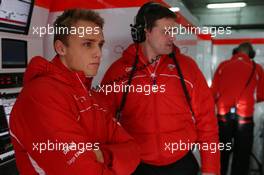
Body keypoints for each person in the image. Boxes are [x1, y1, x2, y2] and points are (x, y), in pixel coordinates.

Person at [10, 9, 140, 175]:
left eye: (100, 44)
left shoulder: (92, 96)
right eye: (88, 44)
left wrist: (105, 156)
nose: (98, 53)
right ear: (61, 48)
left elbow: (133, 149)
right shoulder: (40, 96)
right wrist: (106, 157)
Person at [101, 2, 220, 175]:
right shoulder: (118, 71)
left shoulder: (187, 68)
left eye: (173, 31)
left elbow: (207, 121)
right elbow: (102, 122)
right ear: (145, 32)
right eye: (165, 32)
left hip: (181, 165)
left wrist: (211, 169)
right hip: (137, 166)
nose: (172, 37)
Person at [211, 42, 264, 175]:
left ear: (236, 52)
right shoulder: (257, 68)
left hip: (223, 118)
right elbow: (261, 95)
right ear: (251, 54)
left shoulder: (223, 66)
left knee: (222, 152)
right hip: (244, 119)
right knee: (242, 156)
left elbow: (213, 93)